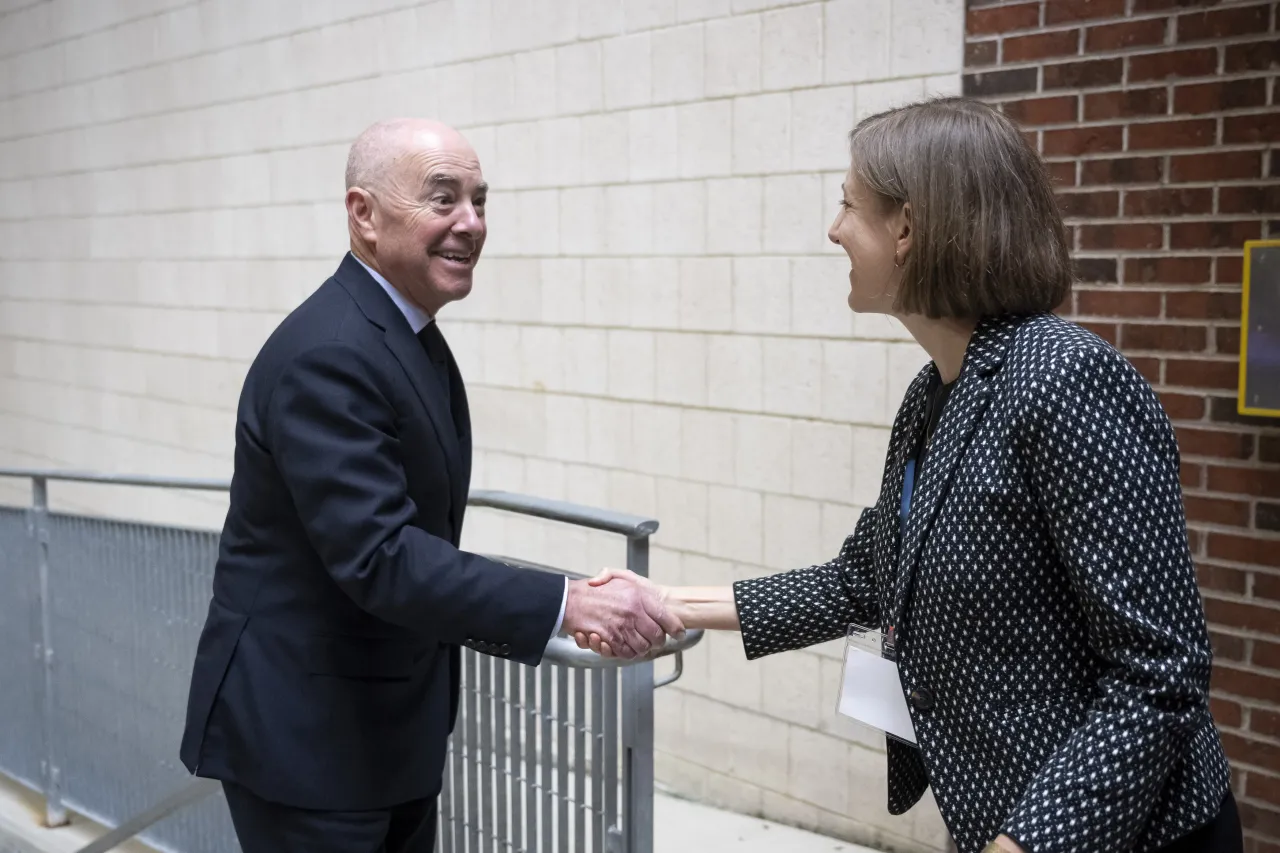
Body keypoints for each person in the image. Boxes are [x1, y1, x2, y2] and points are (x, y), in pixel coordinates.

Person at [577, 98, 1241, 853]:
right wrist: (663, 602)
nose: (833, 229)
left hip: (1126, 836)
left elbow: (1160, 669)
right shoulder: (935, 392)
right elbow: (864, 578)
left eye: (847, 204)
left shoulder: (1066, 378)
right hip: (1001, 822)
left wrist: (1023, 844)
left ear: (908, 228)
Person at [179, 118, 683, 853]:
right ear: (364, 214)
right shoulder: (330, 353)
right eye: (443, 198)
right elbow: (382, 556)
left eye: (480, 200)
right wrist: (568, 601)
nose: (471, 223)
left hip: (386, 730)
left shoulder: (406, 333)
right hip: (309, 744)